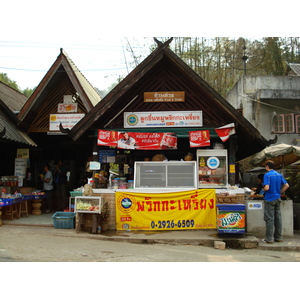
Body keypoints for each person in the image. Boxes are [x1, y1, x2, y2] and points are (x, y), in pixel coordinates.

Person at [262, 160, 289, 244]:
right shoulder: (279, 175)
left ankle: (269, 239)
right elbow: (287, 185)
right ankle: (279, 237)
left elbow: (266, 188)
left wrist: (263, 189)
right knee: (278, 218)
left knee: (269, 219)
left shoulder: (267, 175)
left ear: (267, 166)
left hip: (269, 198)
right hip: (277, 198)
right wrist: (279, 192)